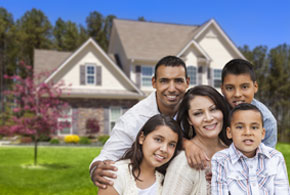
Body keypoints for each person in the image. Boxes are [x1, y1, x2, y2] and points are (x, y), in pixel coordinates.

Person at [90, 56, 190, 189]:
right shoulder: (134, 119)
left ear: (187, 82)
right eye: (164, 81)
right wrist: (96, 169)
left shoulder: (196, 108)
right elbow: (108, 155)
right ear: (154, 82)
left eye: (178, 81)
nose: (172, 89)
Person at [161, 85, 232, 195]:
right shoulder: (184, 162)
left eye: (213, 109)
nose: (208, 118)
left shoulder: (236, 153)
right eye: (198, 113)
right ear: (189, 119)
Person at [211, 103, 290, 194]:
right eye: (240, 127)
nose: (248, 133)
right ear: (229, 132)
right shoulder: (221, 160)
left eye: (254, 127)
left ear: (262, 133)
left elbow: (283, 191)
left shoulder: (275, 157)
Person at [98, 114, 183, 195]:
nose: (164, 149)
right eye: (158, 139)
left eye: (171, 144)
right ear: (142, 138)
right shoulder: (116, 174)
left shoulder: (167, 180)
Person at [221, 58, 277, 148]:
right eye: (230, 88)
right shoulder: (214, 110)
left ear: (255, 87)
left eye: (244, 87)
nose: (237, 94)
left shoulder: (267, 121)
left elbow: (267, 158)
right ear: (222, 89)